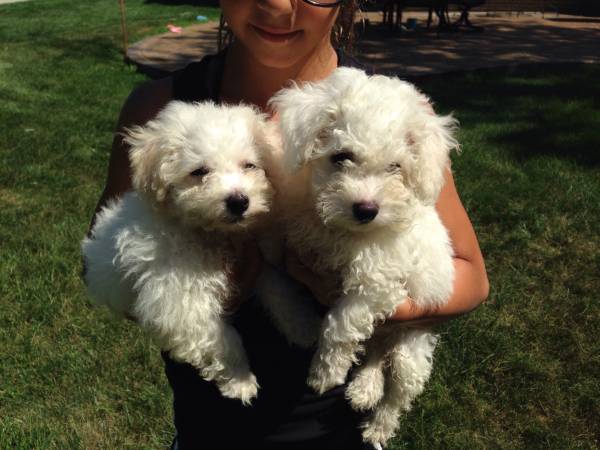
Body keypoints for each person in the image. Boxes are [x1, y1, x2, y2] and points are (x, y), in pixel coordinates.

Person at [87, 0, 489, 448]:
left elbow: (471, 276)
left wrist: (364, 302)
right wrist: (188, 287)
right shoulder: (158, 108)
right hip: (210, 430)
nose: (278, 4)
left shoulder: (392, 114)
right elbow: (103, 261)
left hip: (338, 432)